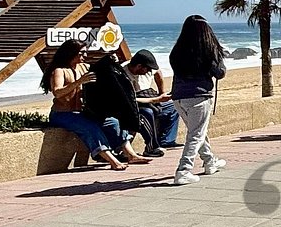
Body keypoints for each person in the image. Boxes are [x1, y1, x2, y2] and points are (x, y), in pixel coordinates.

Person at [41, 39, 130, 171]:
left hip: (81, 112)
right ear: (71, 53)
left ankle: (130, 154)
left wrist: (111, 63)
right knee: (90, 127)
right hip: (62, 114)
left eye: (85, 53)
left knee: (113, 122)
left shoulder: (84, 67)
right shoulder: (59, 70)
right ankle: (113, 161)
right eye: (81, 53)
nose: (85, 56)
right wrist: (79, 82)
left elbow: (101, 73)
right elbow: (57, 92)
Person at [169, 15, 229, 186]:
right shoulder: (207, 50)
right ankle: (184, 170)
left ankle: (209, 161)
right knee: (196, 134)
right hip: (199, 97)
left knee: (197, 131)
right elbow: (220, 73)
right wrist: (218, 53)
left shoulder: (177, 51)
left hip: (179, 97)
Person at [84, 51, 154, 162]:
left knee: (120, 119)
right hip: (86, 112)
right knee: (110, 123)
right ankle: (116, 155)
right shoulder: (107, 71)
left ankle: (129, 154)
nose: (116, 58)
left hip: (104, 110)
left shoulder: (113, 70)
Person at [126, 50, 179, 155]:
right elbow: (129, 100)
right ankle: (151, 147)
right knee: (148, 112)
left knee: (173, 106)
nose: (149, 71)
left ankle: (166, 141)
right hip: (133, 105)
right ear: (139, 66)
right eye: (148, 69)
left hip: (149, 98)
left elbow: (158, 72)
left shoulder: (147, 68)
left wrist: (161, 92)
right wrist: (157, 99)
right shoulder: (122, 73)